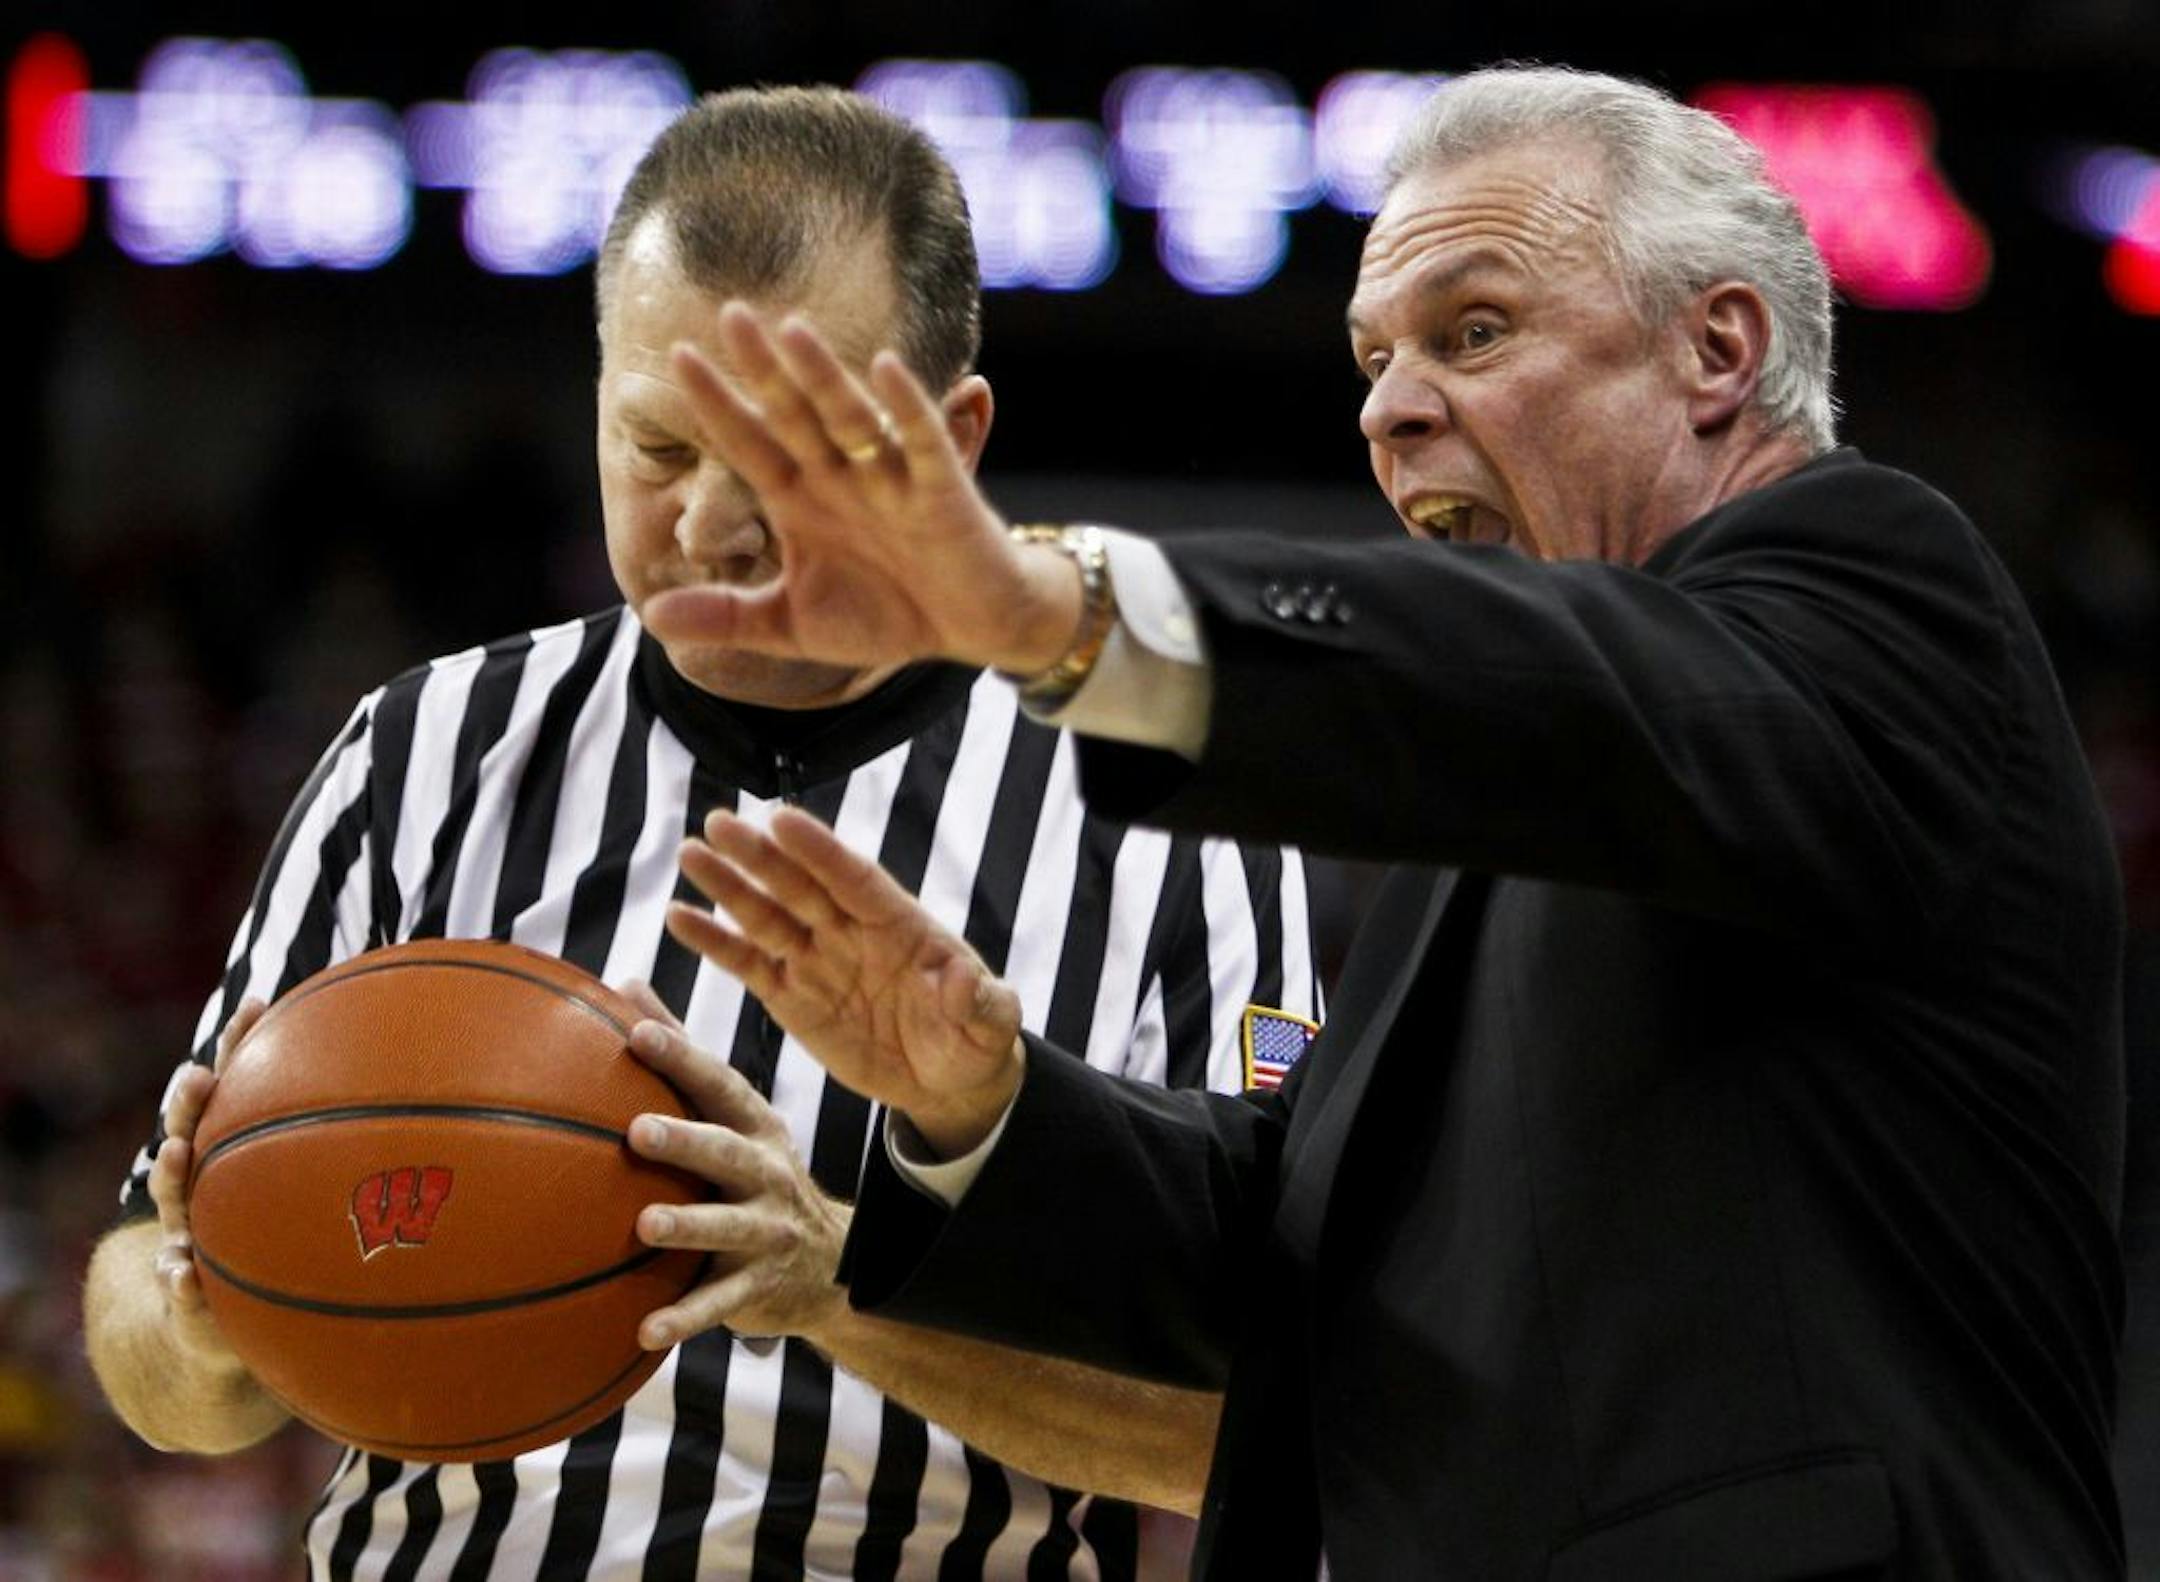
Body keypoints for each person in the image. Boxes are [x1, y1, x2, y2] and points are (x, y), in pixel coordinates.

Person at [629, 65, 2129, 1580]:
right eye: (1371, 358)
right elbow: (1295, 1251)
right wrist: (982, 1103)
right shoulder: (1489, 818)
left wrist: (1065, 607)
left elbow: (1572, 691)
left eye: (1473, 333)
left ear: (1718, 348)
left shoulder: (1875, 592)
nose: (1389, 406)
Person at [80, 86, 1321, 1580]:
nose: (714, 522)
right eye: (659, 446)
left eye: (788, 454)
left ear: (954, 434)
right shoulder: (422, 750)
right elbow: (146, 1334)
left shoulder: (1167, 812)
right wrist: (203, 1307)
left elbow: (1275, 1429)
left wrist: (839, 1287)